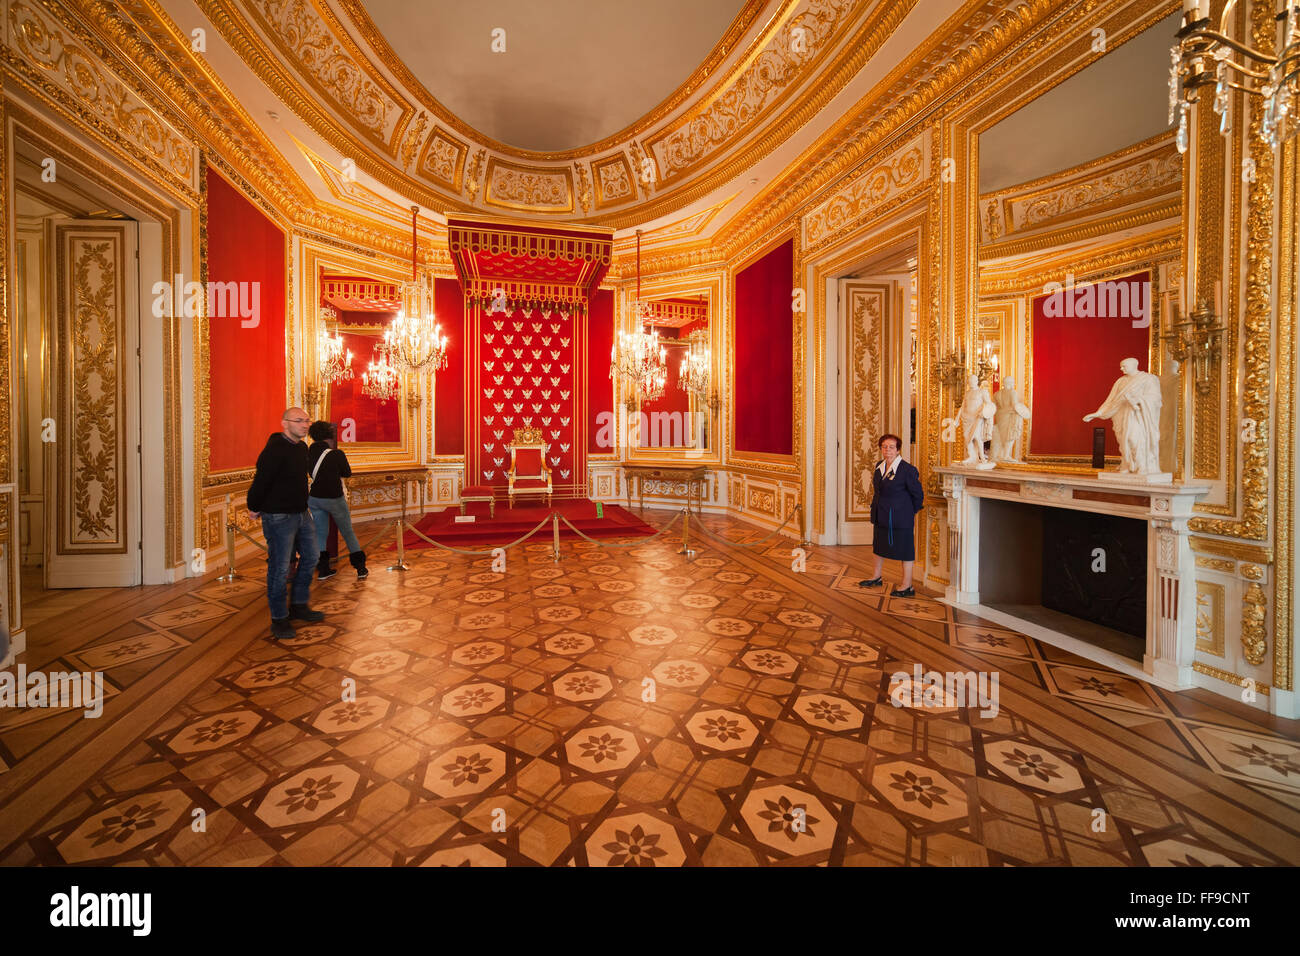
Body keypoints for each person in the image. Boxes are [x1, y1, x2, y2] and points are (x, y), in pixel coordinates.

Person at [247, 408, 326, 639]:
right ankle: (279, 618)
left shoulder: (302, 447)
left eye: (307, 421)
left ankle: (299, 605)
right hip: (278, 516)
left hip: (302, 513)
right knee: (280, 568)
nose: (305, 425)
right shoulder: (274, 450)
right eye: (299, 421)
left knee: (312, 556)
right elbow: (261, 480)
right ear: (284, 423)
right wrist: (254, 505)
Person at [858, 433, 926, 597]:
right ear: (881, 449)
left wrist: (909, 511)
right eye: (884, 447)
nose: (887, 450)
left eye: (891, 447)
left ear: (898, 450)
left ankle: (907, 585)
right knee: (879, 547)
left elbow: (918, 495)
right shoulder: (879, 466)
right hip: (881, 514)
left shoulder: (907, 470)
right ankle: (876, 577)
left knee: (905, 550)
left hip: (901, 517)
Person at [307, 420, 368, 580]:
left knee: (320, 533)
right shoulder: (336, 454)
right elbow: (347, 473)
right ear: (330, 435)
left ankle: (323, 570)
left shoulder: (309, 452)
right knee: (347, 532)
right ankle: (360, 567)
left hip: (314, 498)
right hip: (334, 498)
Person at [1083, 357, 1163, 475]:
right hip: (1120, 416)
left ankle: (1142, 466)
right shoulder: (1120, 381)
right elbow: (1111, 400)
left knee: (1134, 439)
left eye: (1124, 366)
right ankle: (1127, 464)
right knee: (1123, 441)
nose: (1121, 368)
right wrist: (1097, 414)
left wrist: (1138, 400)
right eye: (1121, 366)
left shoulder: (1148, 379)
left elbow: (1155, 398)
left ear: (1134, 365)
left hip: (1137, 416)